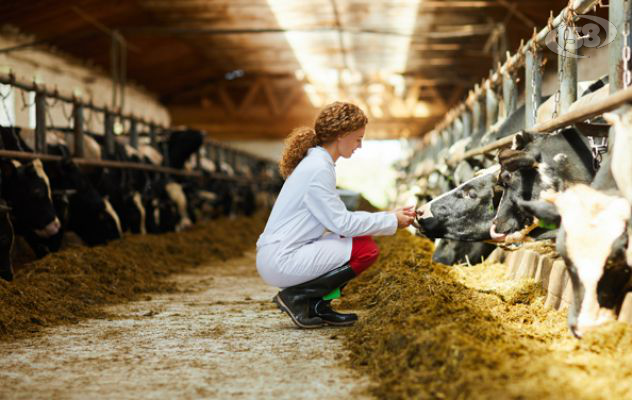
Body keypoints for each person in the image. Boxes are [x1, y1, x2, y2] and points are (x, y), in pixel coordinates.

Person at [256, 101, 415, 328]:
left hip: (283, 252)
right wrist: (391, 220)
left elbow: (337, 218)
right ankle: (298, 297)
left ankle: (319, 306)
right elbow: (342, 223)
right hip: (283, 258)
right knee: (365, 250)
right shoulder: (318, 168)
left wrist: (389, 215)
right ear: (342, 135)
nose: (360, 146)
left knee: (360, 242)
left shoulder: (318, 163)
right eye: (358, 139)